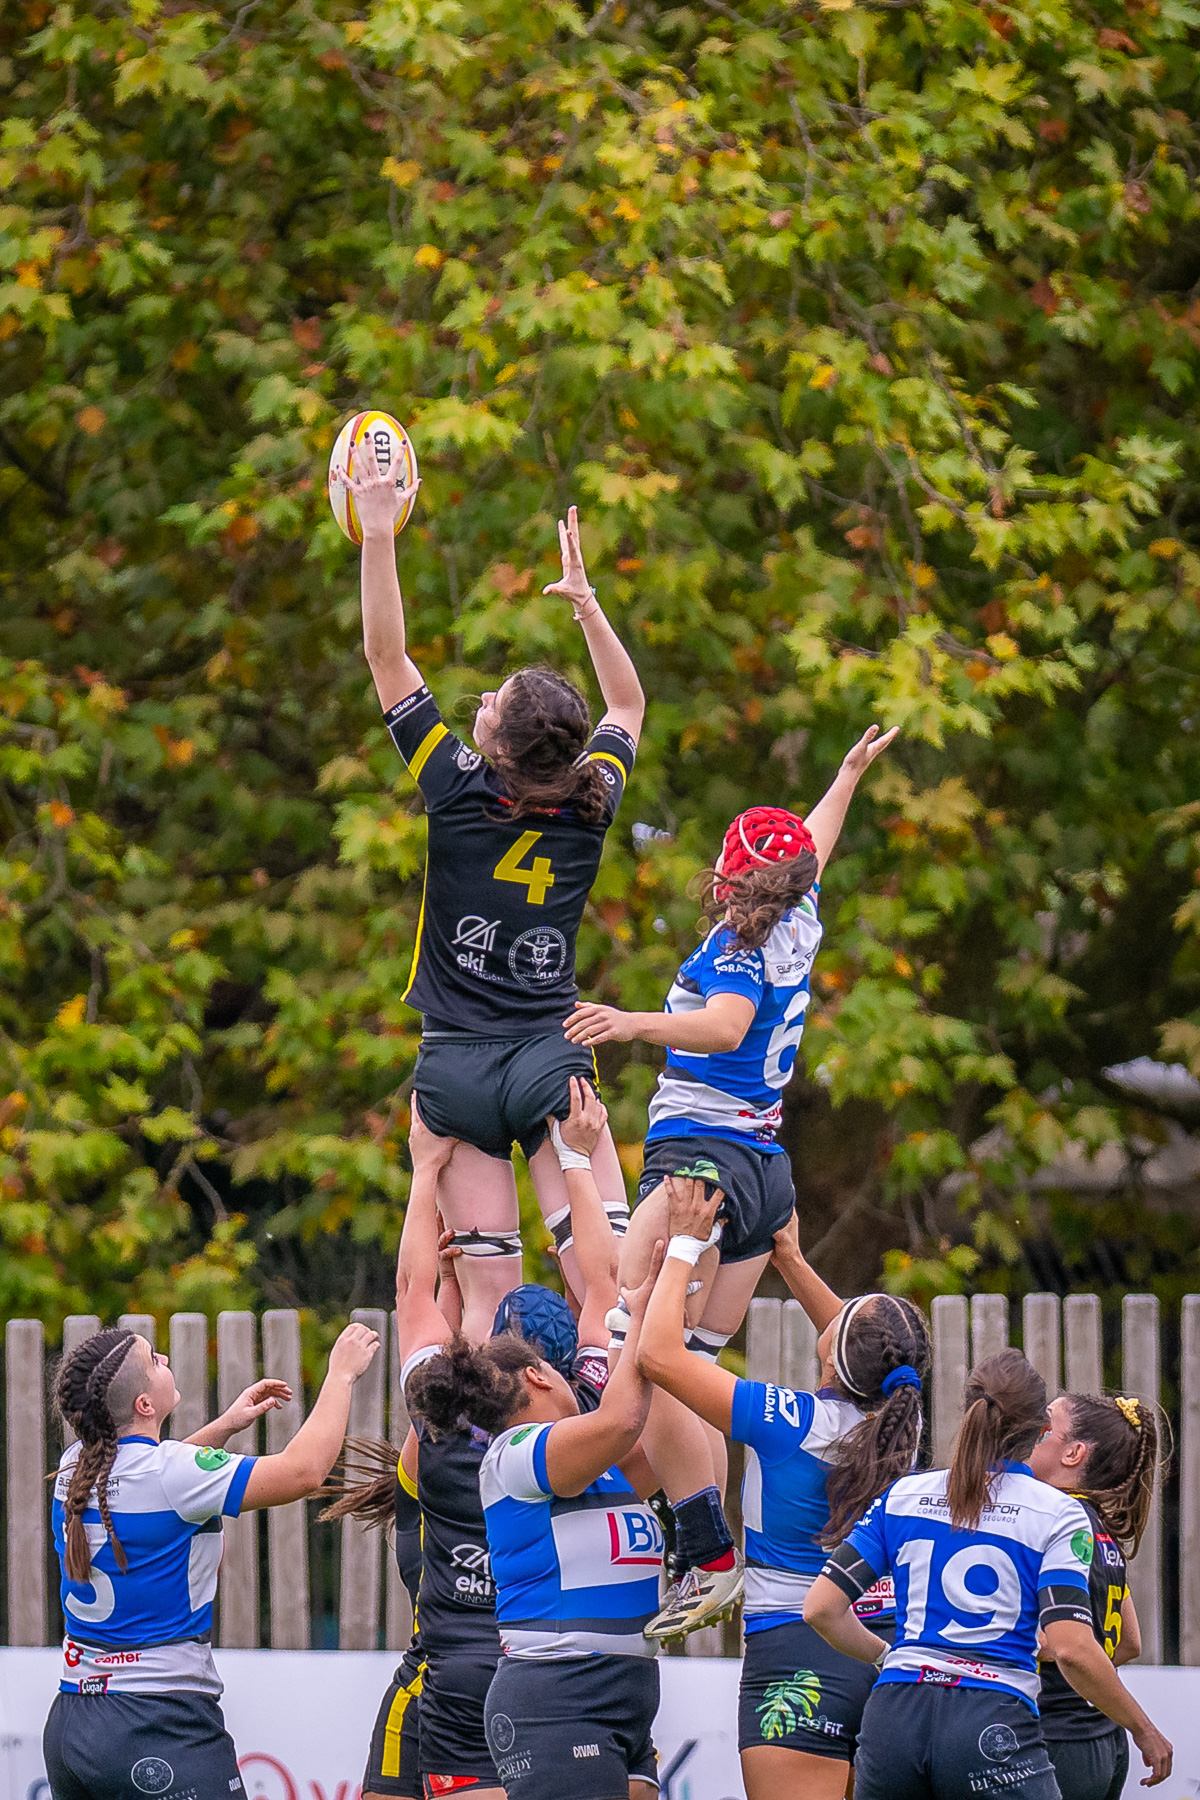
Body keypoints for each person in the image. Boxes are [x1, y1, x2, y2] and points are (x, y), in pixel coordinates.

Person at [569, 726, 896, 1635]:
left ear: (725, 875)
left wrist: (627, 1024)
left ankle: (705, 1551)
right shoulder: (799, 916)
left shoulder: (733, 951)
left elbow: (722, 1025)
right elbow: (814, 844)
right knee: (695, 1365)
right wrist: (846, 773)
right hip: (765, 1174)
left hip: (699, 1160)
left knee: (632, 1340)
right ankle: (707, 1551)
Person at [342, 435, 644, 1341]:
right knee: (608, 1287)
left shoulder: (456, 786)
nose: (477, 703)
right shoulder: (592, 799)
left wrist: (380, 530)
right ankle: (603, 1460)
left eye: (489, 701)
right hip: (551, 1058)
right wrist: (588, 608)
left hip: (458, 1067)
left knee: (486, 1307)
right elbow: (626, 706)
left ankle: (487, 1465)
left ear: (497, 742)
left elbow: (384, 655)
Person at [368, 1081, 622, 1800]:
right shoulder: (590, 1426)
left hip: (451, 1672)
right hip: (561, 1682)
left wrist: (424, 1170)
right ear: (554, 1370)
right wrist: (575, 1162)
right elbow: (607, 1293)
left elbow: (412, 1293)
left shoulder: (441, 1421)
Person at [637, 1175, 929, 1798]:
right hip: (888, 1649)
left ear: (835, 1357)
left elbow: (657, 1356)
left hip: (796, 1651)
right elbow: (860, 1349)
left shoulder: (787, 1421)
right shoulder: (905, 1426)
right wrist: (791, 1262)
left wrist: (687, 1244)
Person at [803, 1348, 1173, 1800]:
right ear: (1038, 1432)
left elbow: (820, 1609)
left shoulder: (904, 1493)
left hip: (893, 1717)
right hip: (989, 1717)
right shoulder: (1057, 1514)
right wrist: (1143, 1728)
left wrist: (888, 1657)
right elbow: (1072, 1648)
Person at [45, 1318, 380, 1800]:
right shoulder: (171, 1473)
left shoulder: (80, 1463)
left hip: (73, 1724)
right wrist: (341, 1375)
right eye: (153, 1359)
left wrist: (225, 1426)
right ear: (144, 1404)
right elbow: (304, 1472)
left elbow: (159, 1485)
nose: (164, 1360)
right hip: (155, 1722)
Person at [405, 1247, 665, 1800]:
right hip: (560, 1694)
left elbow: (667, 1427)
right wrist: (644, 1313)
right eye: (556, 1367)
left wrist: (646, 1316)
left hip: (625, 1691)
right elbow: (624, 1416)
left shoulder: (599, 1460)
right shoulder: (516, 1454)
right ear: (537, 1376)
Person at [1030, 1391, 1159, 1800]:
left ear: (1073, 1453)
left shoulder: (1049, 1523)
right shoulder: (1101, 1530)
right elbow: (1128, 1642)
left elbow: (1053, 1645)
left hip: (1052, 1742)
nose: (1033, 1431)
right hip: (1103, 1741)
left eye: (1046, 1425)